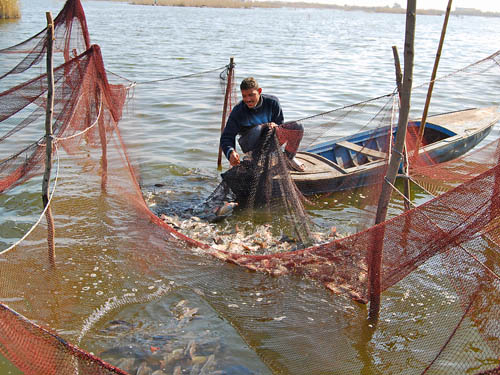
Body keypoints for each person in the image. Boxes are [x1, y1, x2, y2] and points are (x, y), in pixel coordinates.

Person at [220, 77, 305, 172]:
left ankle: (289, 158)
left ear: (259, 91)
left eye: (251, 95)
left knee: (297, 126)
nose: (247, 99)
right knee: (260, 129)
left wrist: (275, 125)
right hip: (250, 144)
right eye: (244, 96)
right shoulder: (238, 111)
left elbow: (281, 125)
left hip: (270, 137)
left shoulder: (273, 102)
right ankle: (253, 158)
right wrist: (231, 152)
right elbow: (226, 137)